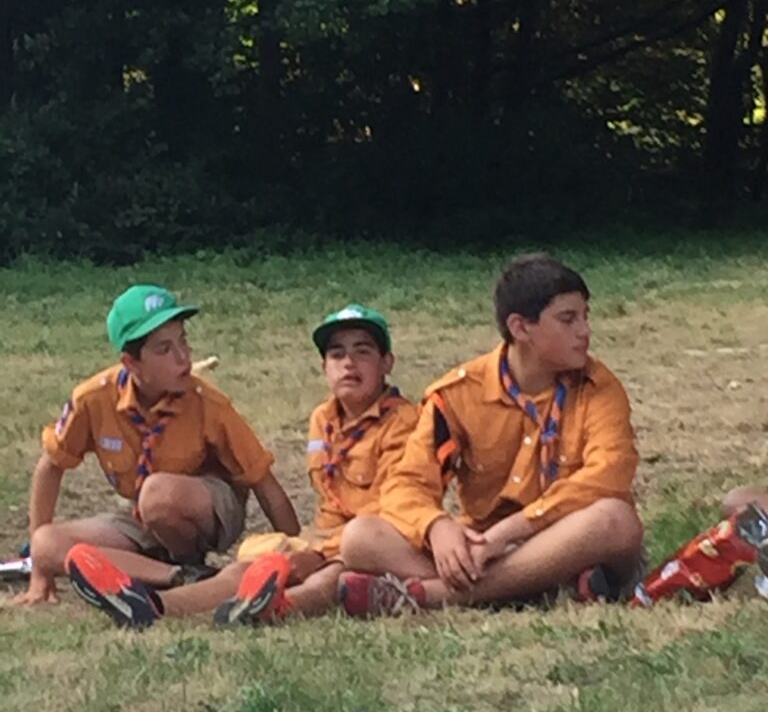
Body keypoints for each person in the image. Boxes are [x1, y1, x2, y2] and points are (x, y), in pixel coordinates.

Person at [64, 303, 418, 628]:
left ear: (387, 363)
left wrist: (315, 554)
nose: (348, 364)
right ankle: (153, 605)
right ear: (323, 367)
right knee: (249, 566)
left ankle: (273, 609)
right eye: (337, 354)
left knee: (328, 579)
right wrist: (297, 544)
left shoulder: (404, 423)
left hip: (377, 543)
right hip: (327, 538)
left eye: (363, 352)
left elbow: (394, 511)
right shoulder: (323, 419)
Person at [338, 254, 644, 616]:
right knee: (360, 537)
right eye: (568, 319)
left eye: (585, 316)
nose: (584, 331)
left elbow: (607, 477)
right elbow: (407, 484)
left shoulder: (598, 387)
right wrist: (437, 527)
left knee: (614, 519)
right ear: (520, 328)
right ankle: (532, 586)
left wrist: (510, 532)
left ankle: (438, 595)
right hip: (483, 546)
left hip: (562, 536)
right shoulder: (459, 393)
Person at [17, 283, 298, 608]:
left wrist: (297, 551)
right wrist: (40, 573)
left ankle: (183, 561)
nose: (183, 357)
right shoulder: (93, 399)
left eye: (183, 341)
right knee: (46, 543)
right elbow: (50, 467)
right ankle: (178, 576)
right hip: (142, 517)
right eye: (164, 349)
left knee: (157, 494)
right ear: (131, 363)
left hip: (206, 509)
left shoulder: (207, 403)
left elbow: (264, 483)